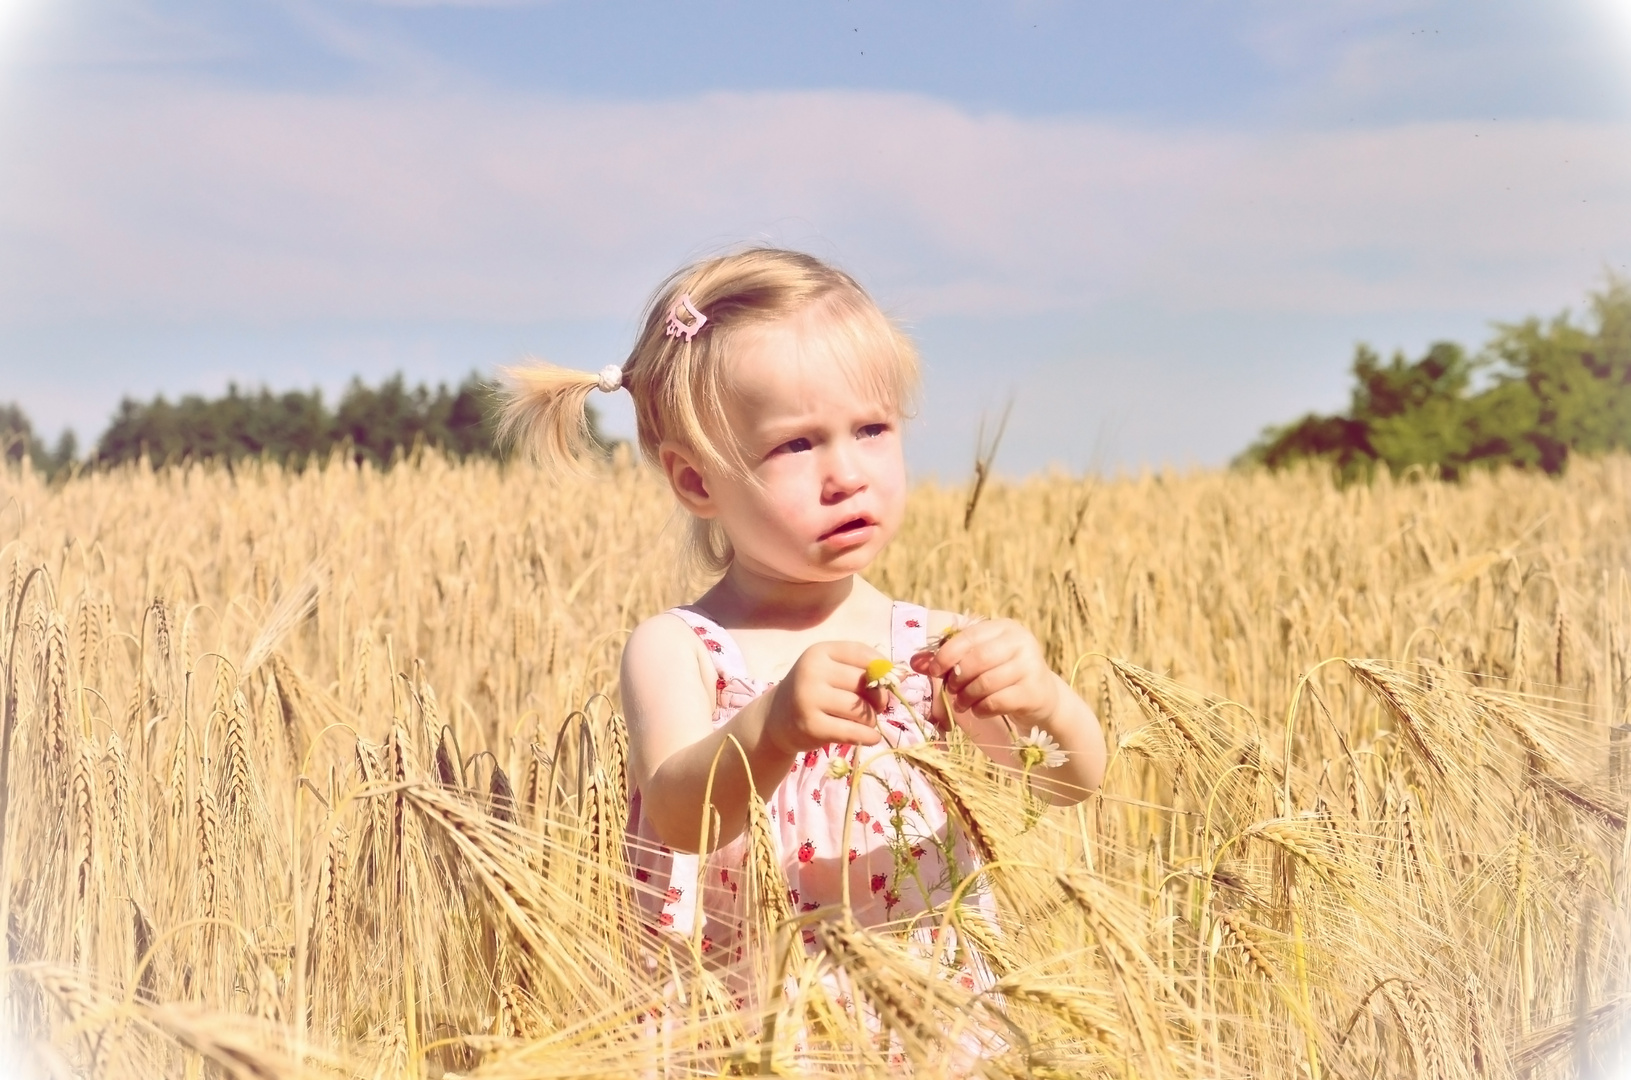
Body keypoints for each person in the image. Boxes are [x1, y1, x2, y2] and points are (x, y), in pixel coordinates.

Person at [500, 247, 1106, 975]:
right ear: (696, 481)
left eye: (873, 430)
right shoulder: (684, 649)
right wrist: (771, 729)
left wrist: (1040, 700)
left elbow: (1066, 781)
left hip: (929, 1013)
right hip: (755, 1017)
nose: (847, 475)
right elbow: (678, 816)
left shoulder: (932, 646)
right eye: (795, 444)